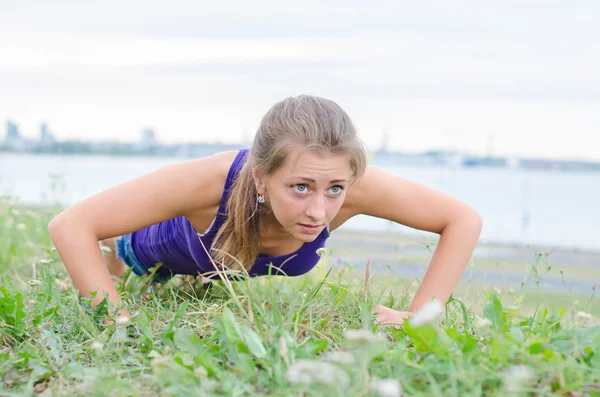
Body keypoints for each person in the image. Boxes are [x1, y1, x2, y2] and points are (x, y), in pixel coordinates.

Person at [48, 94, 483, 326]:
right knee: (120, 253)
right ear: (261, 177)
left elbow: (462, 219)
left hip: (220, 264)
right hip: (154, 243)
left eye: (334, 188)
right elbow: (71, 225)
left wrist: (421, 316)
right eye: (300, 187)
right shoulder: (211, 180)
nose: (319, 210)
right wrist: (116, 320)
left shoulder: (353, 187)